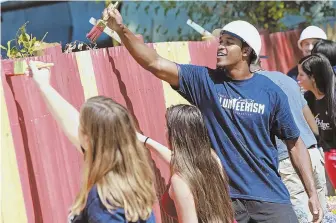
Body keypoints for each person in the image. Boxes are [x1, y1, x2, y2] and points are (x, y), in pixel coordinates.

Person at [103, 7, 323, 222]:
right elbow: (154, 62)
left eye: (229, 43)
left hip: (270, 197)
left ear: (246, 51)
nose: (221, 47)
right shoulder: (205, 82)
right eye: (221, 42)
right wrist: (122, 30)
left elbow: (295, 143)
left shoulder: (271, 92)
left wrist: (311, 193)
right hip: (225, 201)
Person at [29, 61, 156, 223]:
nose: (78, 129)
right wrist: (44, 85)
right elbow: (71, 122)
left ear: (88, 139)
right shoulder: (133, 182)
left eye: (82, 127)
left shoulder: (105, 201)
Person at [137, 104, 234, 223]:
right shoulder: (212, 158)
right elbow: (180, 160)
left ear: (176, 135)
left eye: (167, 128)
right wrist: (145, 140)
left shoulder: (180, 181)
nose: (165, 132)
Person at [257, 68, 328, 222]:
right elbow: (307, 114)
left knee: (303, 216)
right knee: (322, 215)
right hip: (312, 152)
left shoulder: (252, 84)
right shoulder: (286, 79)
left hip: (290, 158)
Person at [297, 54, 336, 190]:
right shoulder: (307, 100)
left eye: (301, 75)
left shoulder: (333, 99)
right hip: (323, 158)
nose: (298, 79)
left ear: (313, 77)